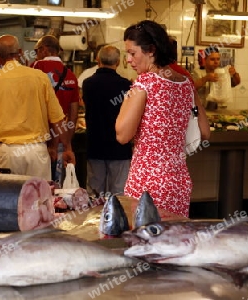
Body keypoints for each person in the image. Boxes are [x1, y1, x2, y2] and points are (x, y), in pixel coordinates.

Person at [115, 20, 210, 218]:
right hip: (178, 181)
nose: (129, 60)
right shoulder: (185, 83)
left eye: (132, 53)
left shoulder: (145, 83)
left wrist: (128, 99)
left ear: (151, 51)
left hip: (147, 182)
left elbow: (122, 135)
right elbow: (205, 132)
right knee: (173, 242)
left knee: (145, 243)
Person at [0, 35, 75, 180]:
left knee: (4, 200)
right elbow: (57, 120)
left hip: (5, 153)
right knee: (38, 200)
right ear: (20, 52)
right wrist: (67, 148)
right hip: (37, 153)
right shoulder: (40, 78)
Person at [82, 45, 132, 196]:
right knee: (119, 193)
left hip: (95, 145)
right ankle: (118, 219)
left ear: (98, 61)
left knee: (95, 192)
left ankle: (94, 219)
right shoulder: (125, 85)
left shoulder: (88, 84)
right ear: (117, 62)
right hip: (119, 147)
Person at [32, 35, 79, 184]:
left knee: (37, 187)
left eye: (36, 50)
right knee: (56, 186)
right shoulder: (71, 75)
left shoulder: (35, 68)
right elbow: (73, 115)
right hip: (60, 139)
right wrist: (67, 145)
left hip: (38, 140)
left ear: (44, 50)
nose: (36, 55)